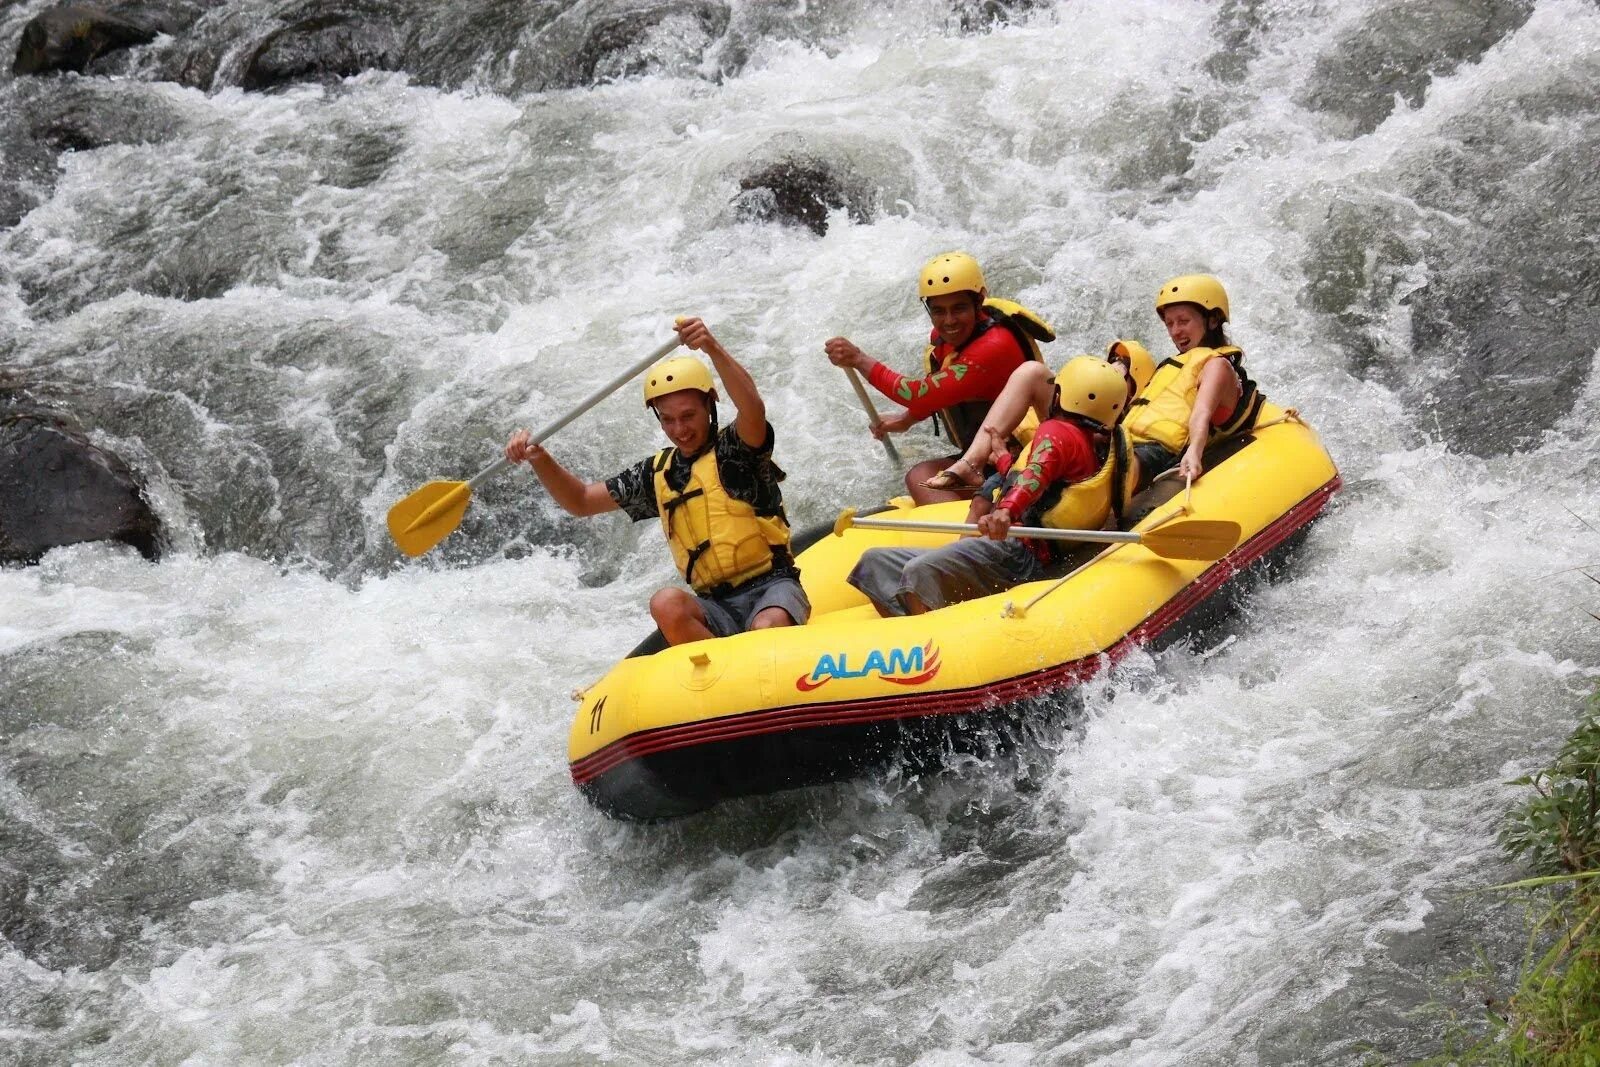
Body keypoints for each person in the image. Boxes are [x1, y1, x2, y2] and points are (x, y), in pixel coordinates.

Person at [504, 317, 809, 646]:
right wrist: (539, 458)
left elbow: (752, 406)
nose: (680, 430)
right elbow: (580, 501)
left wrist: (711, 346)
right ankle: (721, 680)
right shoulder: (657, 473)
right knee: (665, 602)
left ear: (709, 405)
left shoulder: (737, 450)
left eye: (688, 416)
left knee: (766, 625)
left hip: (773, 588)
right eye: (668, 419)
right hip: (716, 606)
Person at [846, 356, 1138, 616]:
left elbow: (1034, 475)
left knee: (916, 571)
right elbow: (1044, 480)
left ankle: (927, 646)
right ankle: (911, 626)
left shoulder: (1057, 432)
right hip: (1015, 547)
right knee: (874, 562)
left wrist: (1007, 512)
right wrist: (1002, 460)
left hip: (1021, 555)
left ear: (1061, 394)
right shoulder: (1092, 444)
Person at [823, 252, 1055, 504]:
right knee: (920, 477)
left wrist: (859, 359)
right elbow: (945, 387)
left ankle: (986, 528)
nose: (949, 321)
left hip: (1023, 451)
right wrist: (906, 420)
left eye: (959, 308)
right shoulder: (957, 336)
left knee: (921, 481)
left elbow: (917, 394)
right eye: (938, 311)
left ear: (979, 301)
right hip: (988, 451)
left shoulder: (994, 346)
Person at [925, 338, 1156, 492]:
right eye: (1111, 364)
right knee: (1032, 371)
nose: (1109, 376)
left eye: (1121, 372)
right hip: (1049, 447)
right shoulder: (1075, 398)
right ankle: (971, 463)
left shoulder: (1131, 424)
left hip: (1082, 461)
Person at [1126, 274, 1264, 487]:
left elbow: (1202, 412)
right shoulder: (1171, 366)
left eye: (1183, 321)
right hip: (1126, 441)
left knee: (1119, 470)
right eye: (1169, 323)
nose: (1175, 331)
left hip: (1159, 453)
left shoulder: (1217, 365)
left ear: (1213, 320)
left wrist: (1194, 451)